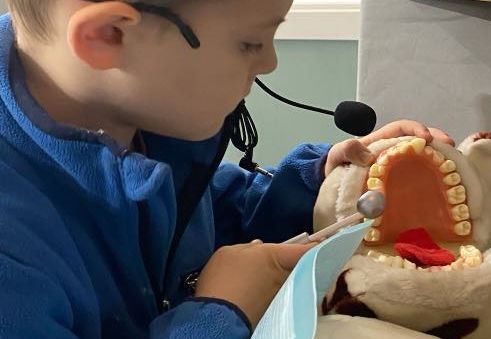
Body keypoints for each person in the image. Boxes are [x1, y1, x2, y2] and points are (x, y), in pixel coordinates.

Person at [0, 0, 453, 338]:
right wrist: (220, 313)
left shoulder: (129, 117)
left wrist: (317, 181)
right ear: (109, 35)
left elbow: (192, 214)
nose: (269, 62)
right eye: (250, 42)